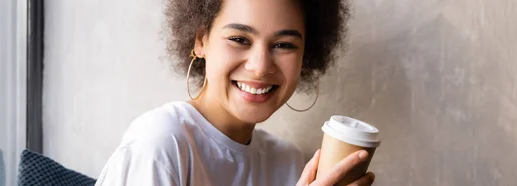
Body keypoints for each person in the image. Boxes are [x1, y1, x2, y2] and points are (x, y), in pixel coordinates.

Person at [95, 0, 375, 185]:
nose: (260, 67)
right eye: (239, 39)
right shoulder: (160, 144)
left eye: (284, 45)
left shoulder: (290, 164)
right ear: (200, 40)